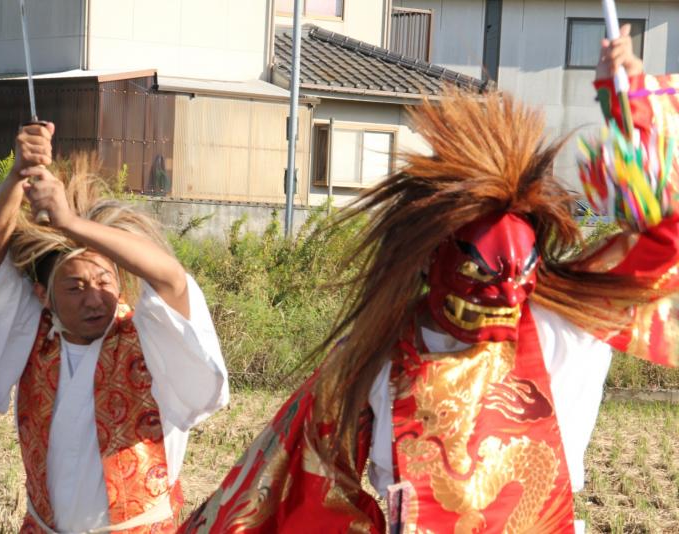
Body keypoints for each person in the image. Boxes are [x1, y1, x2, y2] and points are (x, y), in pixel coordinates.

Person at [180, 25, 678, 533]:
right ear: (428, 259)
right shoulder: (377, 352)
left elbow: (669, 237)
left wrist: (631, 106)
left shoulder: (566, 324)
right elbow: (303, 484)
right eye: (479, 273)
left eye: (516, 275)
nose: (503, 294)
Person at [0, 123, 229, 533]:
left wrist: (69, 222)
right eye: (75, 288)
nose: (94, 298)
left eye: (104, 282)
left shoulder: (148, 337)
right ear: (44, 295)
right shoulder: (35, 337)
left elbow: (171, 278)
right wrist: (16, 175)